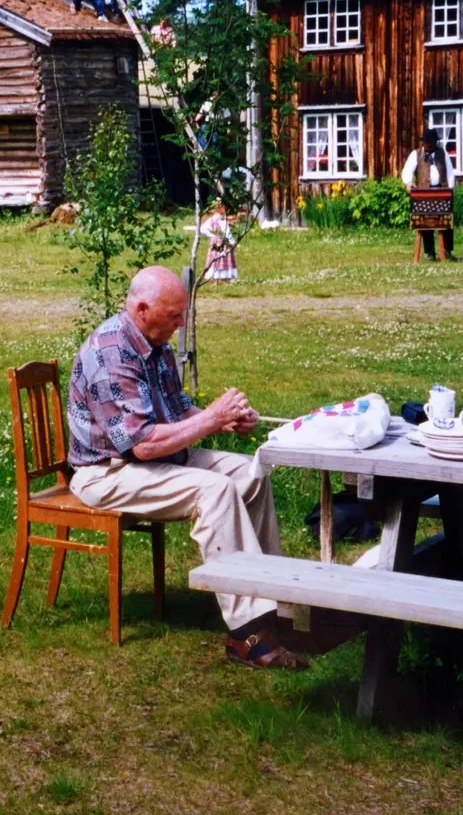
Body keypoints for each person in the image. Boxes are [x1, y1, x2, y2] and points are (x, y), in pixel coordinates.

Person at [67, 266, 307, 670]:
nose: (182, 324)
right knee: (213, 491)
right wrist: (212, 418)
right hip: (105, 472)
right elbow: (142, 444)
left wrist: (225, 419)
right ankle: (247, 634)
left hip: (149, 457)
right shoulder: (111, 354)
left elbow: (176, 410)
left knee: (251, 472)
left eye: (183, 314)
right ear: (142, 309)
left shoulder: (152, 342)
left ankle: (278, 604)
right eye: (175, 315)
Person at [401, 127, 456, 260]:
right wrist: (408, 182)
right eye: (426, 141)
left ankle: (447, 251)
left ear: (435, 141)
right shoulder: (416, 154)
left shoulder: (443, 153)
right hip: (423, 192)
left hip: (442, 192)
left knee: (446, 221)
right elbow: (407, 170)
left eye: (431, 141)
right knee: (426, 223)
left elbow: (450, 173)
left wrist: (449, 189)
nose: (429, 144)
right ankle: (430, 253)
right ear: (423, 142)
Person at [200, 203, 238, 284]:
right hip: (220, 242)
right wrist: (214, 235)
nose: (225, 209)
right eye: (223, 208)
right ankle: (217, 280)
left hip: (218, 241)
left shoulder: (216, 219)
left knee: (218, 260)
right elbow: (226, 232)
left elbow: (203, 229)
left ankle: (222, 279)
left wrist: (213, 235)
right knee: (218, 259)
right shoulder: (219, 220)